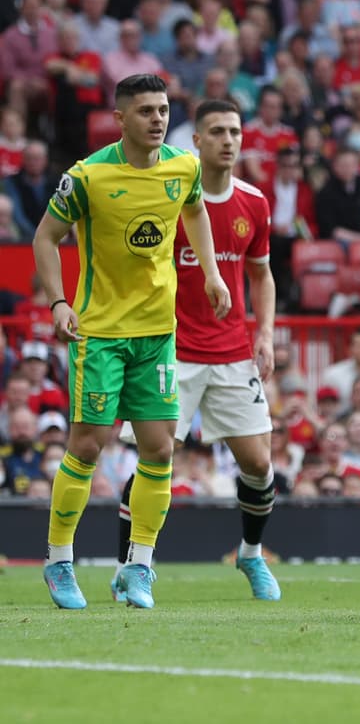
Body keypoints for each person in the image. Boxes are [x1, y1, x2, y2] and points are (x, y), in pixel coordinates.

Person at [35, 74, 232, 610]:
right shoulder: (88, 176)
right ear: (120, 119)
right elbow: (45, 237)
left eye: (163, 109)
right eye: (145, 111)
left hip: (157, 333)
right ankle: (58, 560)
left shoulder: (184, 166)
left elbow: (195, 209)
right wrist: (58, 302)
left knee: (160, 448)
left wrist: (212, 273)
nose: (157, 119)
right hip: (100, 332)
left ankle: (138, 567)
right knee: (88, 444)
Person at [114, 99, 280, 602]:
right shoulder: (167, 197)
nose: (229, 140)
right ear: (197, 141)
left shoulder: (254, 202)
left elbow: (261, 274)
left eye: (235, 132)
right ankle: (132, 566)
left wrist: (265, 333)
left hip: (232, 352)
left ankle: (251, 554)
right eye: (218, 132)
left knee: (259, 465)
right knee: (155, 457)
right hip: (171, 350)